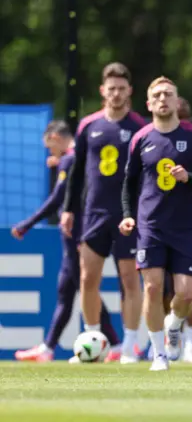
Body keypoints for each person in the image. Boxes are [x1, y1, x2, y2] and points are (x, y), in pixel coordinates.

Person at [120, 76, 192, 371]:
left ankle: (174, 324)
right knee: (151, 288)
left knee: (186, 294)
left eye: (168, 94)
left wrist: (190, 177)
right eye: (157, 95)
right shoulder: (140, 138)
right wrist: (127, 214)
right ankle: (158, 355)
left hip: (187, 227)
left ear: (177, 101)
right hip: (151, 226)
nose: (163, 99)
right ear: (149, 103)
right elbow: (129, 183)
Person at [12, 120, 121, 363]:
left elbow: (57, 200)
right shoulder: (70, 160)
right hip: (72, 233)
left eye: (49, 146)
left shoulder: (70, 159)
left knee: (84, 289)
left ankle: (113, 343)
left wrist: (26, 224)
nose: (50, 152)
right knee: (66, 290)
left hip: (75, 233)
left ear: (56, 138)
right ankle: (49, 348)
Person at [60, 63, 146, 364]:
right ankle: (92, 342)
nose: (117, 93)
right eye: (112, 88)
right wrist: (69, 209)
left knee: (129, 280)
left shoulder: (139, 128)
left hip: (128, 215)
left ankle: (130, 346)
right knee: (88, 278)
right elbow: (76, 173)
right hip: (93, 214)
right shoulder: (88, 125)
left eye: (122, 88)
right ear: (102, 91)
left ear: (130, 91)